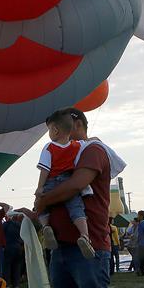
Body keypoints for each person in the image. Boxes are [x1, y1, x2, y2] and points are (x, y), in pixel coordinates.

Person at [33, 107, 118, 288]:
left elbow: (75, 186)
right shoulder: (65, 152)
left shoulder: (93, 150)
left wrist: (42, 200)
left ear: (77, 122)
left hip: (89, 248)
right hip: (62, 247)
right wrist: (36, 211)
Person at [36, 110, 95, 259]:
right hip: (68, 182)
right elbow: (88, 142)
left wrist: (40, 187)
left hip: (51, 181)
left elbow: (45, 169)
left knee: (41, 205)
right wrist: (95, 139)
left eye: (49, 129)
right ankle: (84, 235)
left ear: (55, 130)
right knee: (76, 208)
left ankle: (46, 227)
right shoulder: (76, 145)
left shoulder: (49, 147)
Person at [2, 213, 24, 288]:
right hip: (18, 247)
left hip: (8, 246)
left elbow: (2, 234)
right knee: (17, 266)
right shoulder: (20, 225)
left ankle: (7, 284)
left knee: (7, 266)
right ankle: (16, 284)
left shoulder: (6, 225)